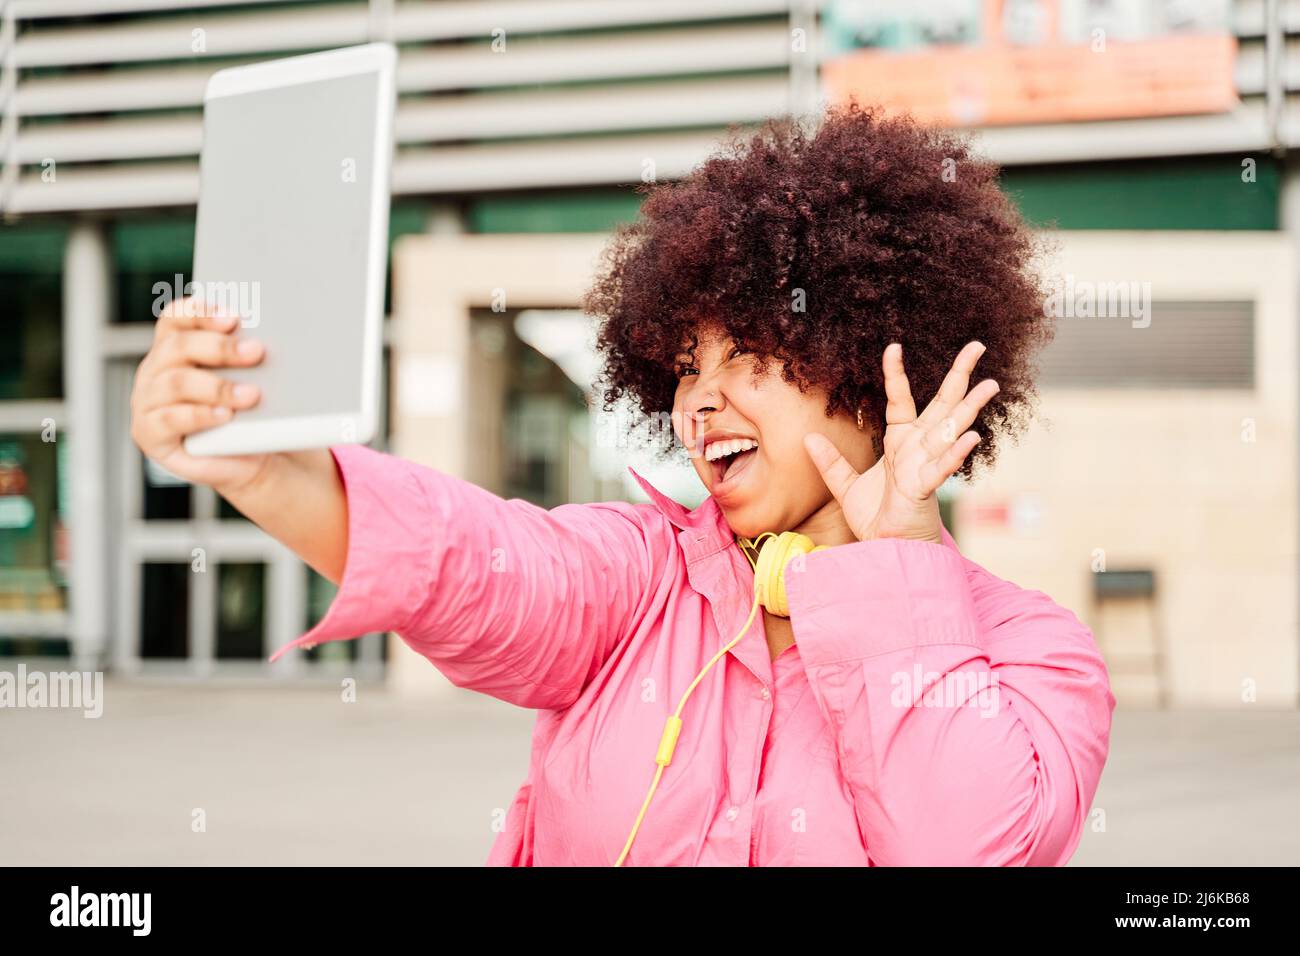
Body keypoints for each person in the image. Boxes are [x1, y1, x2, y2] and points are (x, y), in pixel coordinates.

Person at [130, 103, 1114, 866]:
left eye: (751, 353)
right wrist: (258, 465)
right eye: (688, 362)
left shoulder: (1036, 656)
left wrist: (895, 574)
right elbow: (462, 562)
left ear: (871, 370)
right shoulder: (637, 581)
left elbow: (966, 844)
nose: (703, 399)